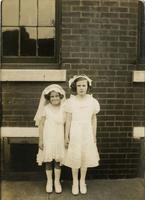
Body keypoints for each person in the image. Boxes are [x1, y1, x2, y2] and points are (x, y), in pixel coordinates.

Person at [63, 75, 100, 195]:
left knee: (85, 157)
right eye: (79, 86)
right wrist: (66, 136)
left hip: (87, 132)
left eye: (84, 85)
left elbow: (94, 119)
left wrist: (94, 135)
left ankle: (82, 181)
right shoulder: (70, 101)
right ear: (75, 87)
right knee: (75, 156)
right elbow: (68, 120)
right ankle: (75, 182)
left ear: (88, 87)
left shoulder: (92, 101)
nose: (81, 88)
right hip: (75, 131)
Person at [34, 84, 65, 194]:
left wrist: (66, 138)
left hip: (60, 137)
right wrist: (41, 140)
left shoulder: (64, 108)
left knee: (57, 160)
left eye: (57, 96)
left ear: (60, 96)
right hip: (48, 137)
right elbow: (41, 125)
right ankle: (49, 181)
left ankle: (57, 182)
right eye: (52, 96)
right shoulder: (45, 109)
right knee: (48, 160)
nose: (54, 98)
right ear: (48, 98)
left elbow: (67, 124)